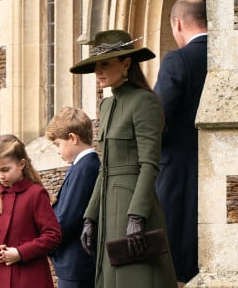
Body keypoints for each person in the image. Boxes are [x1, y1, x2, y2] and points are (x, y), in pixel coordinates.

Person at [70, 29, 177, 288]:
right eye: (96, 65)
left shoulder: (144, 102)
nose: (98, 71)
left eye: (105, 63)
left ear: (126, 63)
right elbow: (105, 168)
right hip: (109, 207)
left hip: (132, 206)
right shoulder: (106, 106)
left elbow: (149, 164)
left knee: (135, 279)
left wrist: (137, 215)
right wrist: (90, 217)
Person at [153, 0, 208, 286]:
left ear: (177, 23)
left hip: (178, 178)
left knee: (176, 269)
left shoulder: (178, 59)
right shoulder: (227, 54)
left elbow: (156, 120)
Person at [0, 134, 62, 288]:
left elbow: (53, 235)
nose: (0, 176)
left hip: (30, 277)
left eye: (5, 170)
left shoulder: (36, 194)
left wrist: (20, 253)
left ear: (22, 164)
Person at [45, 107, 100, 288]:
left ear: (72, 138)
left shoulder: (85, 168)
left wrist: (45, 245)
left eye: (58, 144)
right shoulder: (81, 166)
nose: (57, 151)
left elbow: (68, 218)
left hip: (77, 265)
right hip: (73, 264)